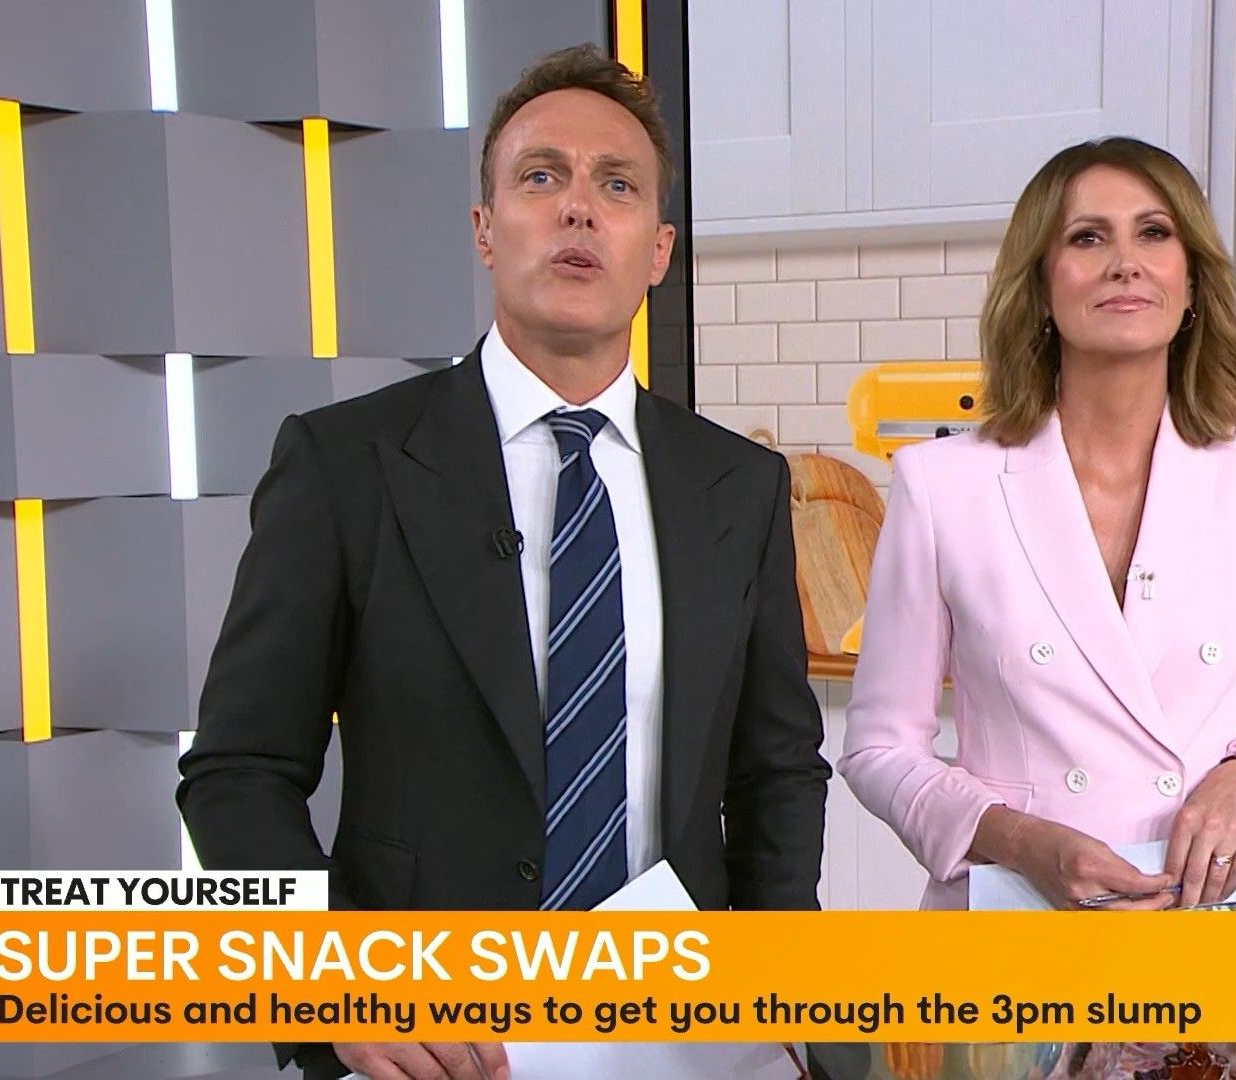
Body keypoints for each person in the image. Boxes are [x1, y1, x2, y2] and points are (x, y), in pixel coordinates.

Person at [178, 44, 829, 1080]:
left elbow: (776, 772)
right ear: (485, 229)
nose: (579, 209)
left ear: (658, 251)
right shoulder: (346, 465)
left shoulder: (739, 486)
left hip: (685, 1041)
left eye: (617, 186)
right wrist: (332, 989)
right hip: (435, 1046)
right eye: (541, 176)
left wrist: (792, 1003)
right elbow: (237, 773)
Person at [839, 137, 1236, 914]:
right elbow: (879, 747)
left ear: (1191, 282)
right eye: (1087, 238)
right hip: (1017, 912)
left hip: (1215, 911)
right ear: (1041, 287)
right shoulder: (942, 485)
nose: (1125, 263)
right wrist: (1018, 839)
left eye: (1154, 233)